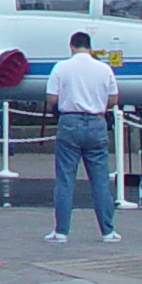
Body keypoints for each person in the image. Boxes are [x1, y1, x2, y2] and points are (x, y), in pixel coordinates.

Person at [45, 32, 121, 241]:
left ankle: (61, 231)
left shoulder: (61, 68)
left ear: (71, 47)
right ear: (90, 47)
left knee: (65, 179)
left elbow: (52, 98)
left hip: (69, 122)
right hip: (96, 122)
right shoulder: (104, 69)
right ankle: (108, 231)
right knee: (100, 181)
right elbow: (113, 98)